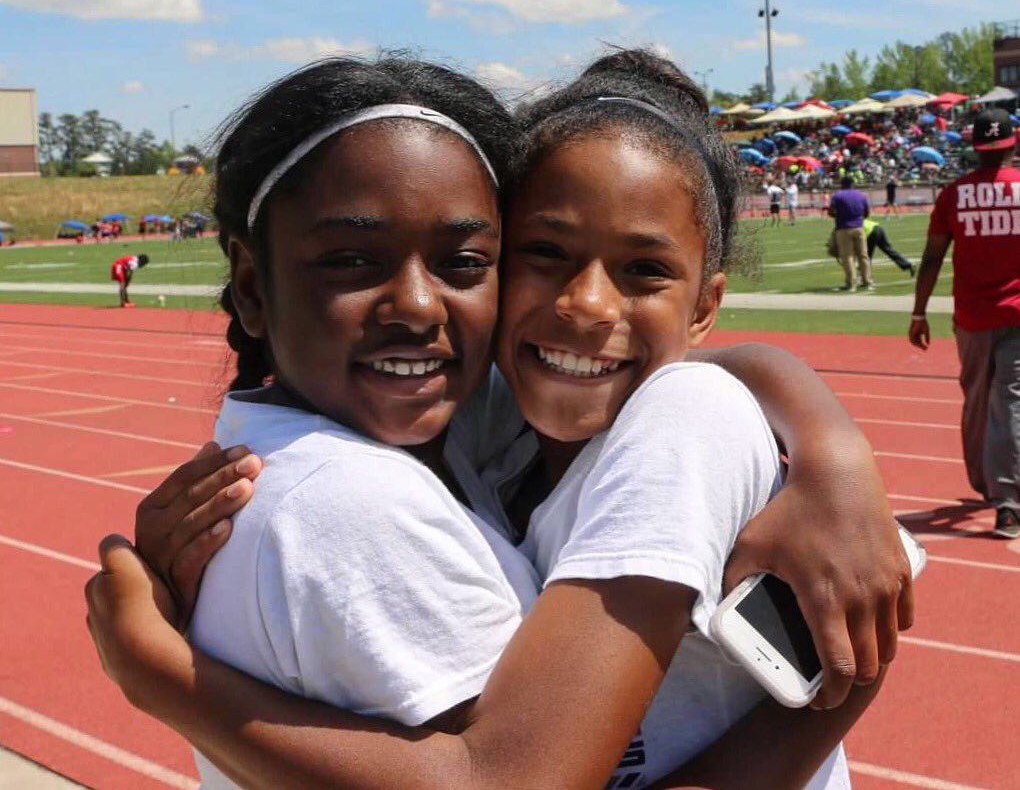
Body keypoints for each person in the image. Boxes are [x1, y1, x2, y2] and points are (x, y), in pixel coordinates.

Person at [86, 53, 910, 789]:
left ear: (705, 306)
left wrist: (164, 677)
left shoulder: (674, 419)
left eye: (460, 263)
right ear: (252, 285)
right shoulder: (475, 418)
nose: (586, 304)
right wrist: (830, 446)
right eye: (544, 254)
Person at [909, 107, 1020, 539]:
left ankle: (988, 483)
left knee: (977, 397)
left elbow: (933, 257)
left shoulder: (954, 194)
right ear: (1012, 143)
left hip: (972, 318)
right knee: (1009, 402)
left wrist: (919, 312)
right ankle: (1007, 502)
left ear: (974, 148)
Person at [828, 176, 873, 292]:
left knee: (847, 256)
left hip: (843, 228)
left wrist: (839, 216)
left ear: (842, 184)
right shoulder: (861, 195)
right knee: (863, 256)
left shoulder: (837, 196)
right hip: (859, 227)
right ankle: (867, 281)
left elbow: (831, 212)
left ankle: (851, 283)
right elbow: (867, 213)